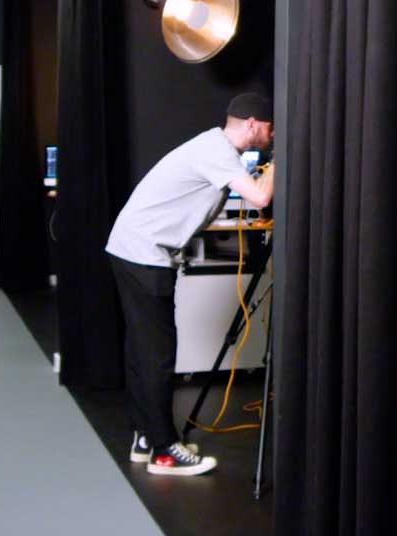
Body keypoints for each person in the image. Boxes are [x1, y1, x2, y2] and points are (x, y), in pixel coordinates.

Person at [105, 92, 276, 477]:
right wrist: (286, 158)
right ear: (252, 124)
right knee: (158, 355)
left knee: (142, 351)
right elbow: (262, 196)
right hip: (143, 253)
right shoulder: (217, 151)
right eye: (270, 127)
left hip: (132, 248)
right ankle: (164, 451)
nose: (273, 132)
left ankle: (146, 437)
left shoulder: (211, 146)